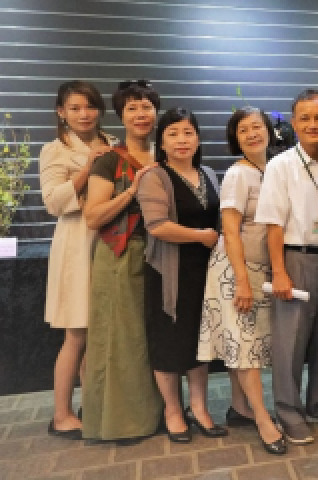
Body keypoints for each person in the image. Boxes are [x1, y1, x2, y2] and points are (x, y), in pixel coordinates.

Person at [256, 90, 318, 447]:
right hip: (296, 258)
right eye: (305, 118)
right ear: (294, 123)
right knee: (290, 343)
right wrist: (279, 271)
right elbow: (273, 224)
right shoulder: (280, 166)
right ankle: (289, 413)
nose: (313, 124)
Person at [197, 107, 285, 454]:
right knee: (246, 347)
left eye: (257, 127)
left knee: (244, 344)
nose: (252, 134)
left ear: (269, 131)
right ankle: (263, 420)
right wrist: (242, 282)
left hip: (259, 268)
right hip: (236, 270)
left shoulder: (271, 168)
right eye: (243, 130)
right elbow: (230, 231)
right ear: (235, 138)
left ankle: (240, 407)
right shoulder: (238, 174)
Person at [137, 107, 226, 443]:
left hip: (205, 272)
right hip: (169, 274)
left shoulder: (208, 174)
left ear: (198, 138)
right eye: (173, 133)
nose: (181, 140)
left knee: (198, 341)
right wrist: (201, 236)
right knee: (170, 343)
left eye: (188, 132)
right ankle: (173, 411)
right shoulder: (155, 176)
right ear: (161, 142)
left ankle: (199, 408)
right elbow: (157, 226)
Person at [80, 80, 163, 440]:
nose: (140, 114)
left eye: (146, 107)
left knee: (152, 337)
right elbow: (93, 216)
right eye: (132, 108)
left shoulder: (164, 154)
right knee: (120, 338)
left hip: (160, 255)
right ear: (121, 116)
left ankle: (160, 412)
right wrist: (131, 191)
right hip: (120, 256)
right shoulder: (110, 159)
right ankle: (121, 422)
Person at [39, 80, 115, 439]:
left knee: (97, 332)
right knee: (76, 333)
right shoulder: (54, 150)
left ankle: (92, 405)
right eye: (75, 108)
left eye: (90, 106)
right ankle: (61, 415)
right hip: (75, 247)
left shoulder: (112, 142)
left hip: (108, 243)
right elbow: (53, 202)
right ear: (61, 112)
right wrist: (88, 169)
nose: (84, 114)